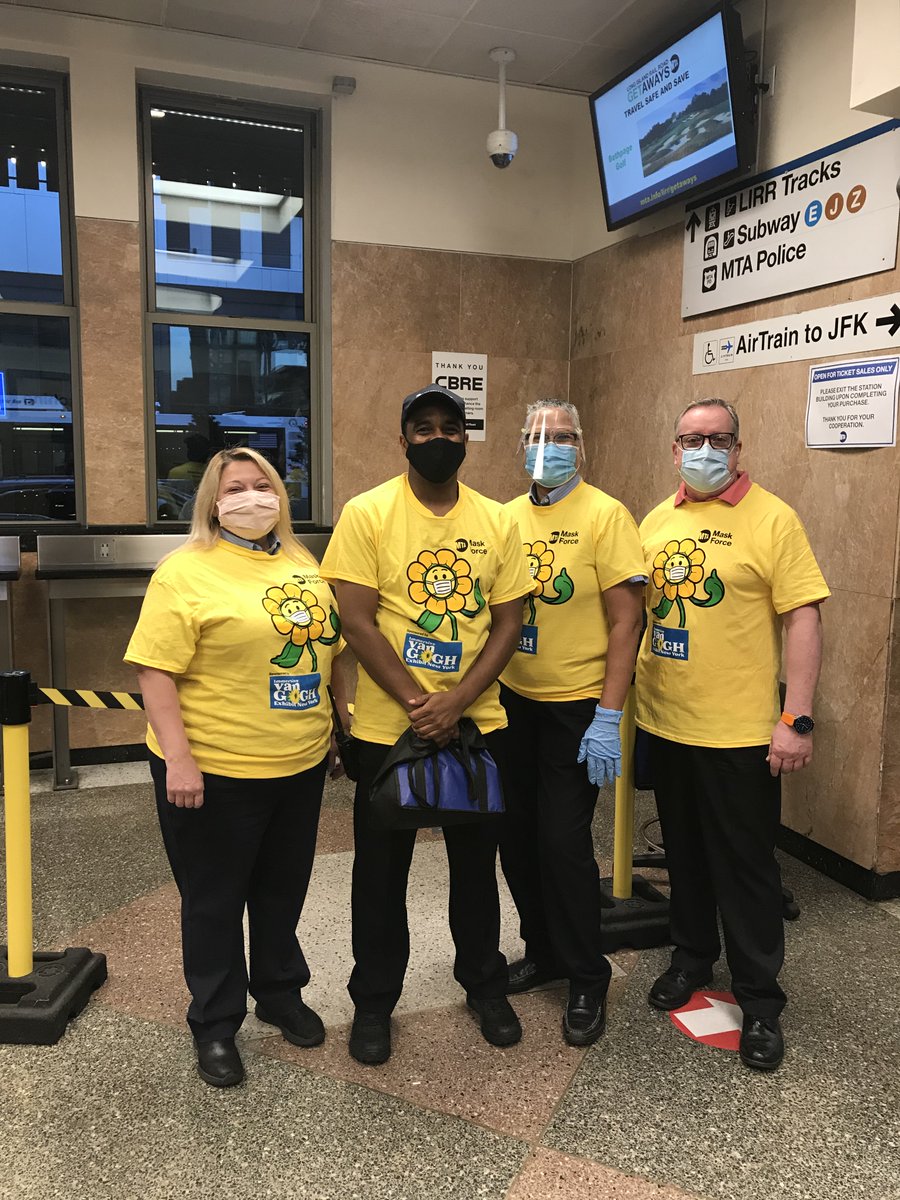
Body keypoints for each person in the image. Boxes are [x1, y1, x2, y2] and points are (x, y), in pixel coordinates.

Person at [320, 384, 532, 1066]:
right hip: (390, 734)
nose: (436, 438)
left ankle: (484, 985)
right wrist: (421, 702)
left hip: (478, 727)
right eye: (423, 428)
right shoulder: (368, 513)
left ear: (465, 439)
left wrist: (460, 699)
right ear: (403, 438)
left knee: (476, 868)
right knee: (380, 876)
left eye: (449, 427)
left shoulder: (499, 521)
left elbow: (509, 622)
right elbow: (356, 618)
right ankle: (374, 1002)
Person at [125, 447, 348, 1088]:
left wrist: (335, 726)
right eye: (235, 489)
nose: (251, 498)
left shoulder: (301, 561)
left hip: (298, 764)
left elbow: (324, 654)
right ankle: (216, 1023)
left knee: (282, 892)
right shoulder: (184, 572)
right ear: (213, 504)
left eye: (262, 485)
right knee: (214, 902)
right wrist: (181, 762)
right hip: (213, 770)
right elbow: (155, 672)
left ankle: (279, 992)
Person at [636, 397, 829, 1071]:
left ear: (738, 449)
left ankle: (760, 1002)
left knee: (746, 872)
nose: (704, 450)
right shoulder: (658, 519)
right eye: (691, 439)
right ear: (674, 449)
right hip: (666, 722)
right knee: (684, 856)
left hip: (742, 734)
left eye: (718, 439)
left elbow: (803, 618)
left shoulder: (773, 518)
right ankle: (691, 958)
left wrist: (796, 718)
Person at [497, 399, 645, 1046]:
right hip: (510, 703)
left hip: (577, 706)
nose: (548, 446)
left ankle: (588, 975)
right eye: (537, 436)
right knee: (517, 838)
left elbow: (626, 621)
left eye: (561, 437)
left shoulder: (606, 516)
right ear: (520, 446)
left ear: (580, 446)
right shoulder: (503, 518)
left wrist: (608, 715)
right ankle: (544, 950)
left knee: (562, 842)